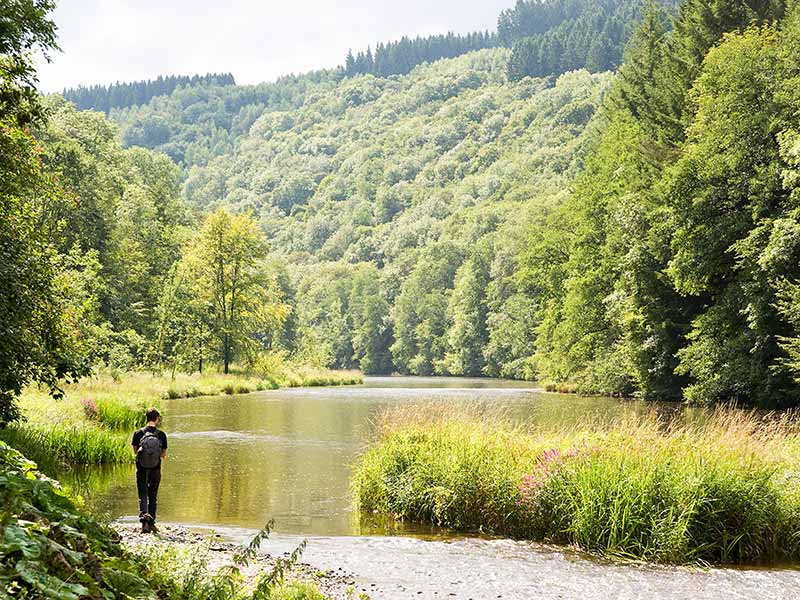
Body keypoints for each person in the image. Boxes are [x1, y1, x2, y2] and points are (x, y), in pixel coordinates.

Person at [131, 407, 167, 533]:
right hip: (156, 469)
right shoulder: (161, 435)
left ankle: (144, 524)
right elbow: (163, 455)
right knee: (153, 495)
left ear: (146, 418)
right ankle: (152, 523)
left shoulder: (138, 433)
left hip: (141, 468)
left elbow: (135, 451)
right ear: (157, 419)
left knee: (143, 495)